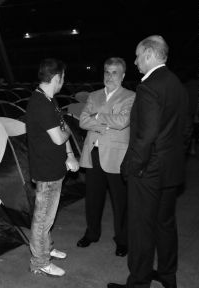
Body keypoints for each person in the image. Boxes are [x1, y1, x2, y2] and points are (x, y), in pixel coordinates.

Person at [108, 36, 192, 288]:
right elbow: (187, 129)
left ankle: (139, 282)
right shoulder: (177, 83)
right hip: (170, 169)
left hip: (148, 171)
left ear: (148, 54)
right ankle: (167, 276)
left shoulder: (149, 86)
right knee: (165, 224)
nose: (135, 62)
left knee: (140, 228)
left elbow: (146, 135)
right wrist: (174, 157)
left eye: (137, 56)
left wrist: (133, 167)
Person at [26, 58, 79, 277]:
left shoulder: (49, 100)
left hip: (54, 167)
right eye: (63, 78)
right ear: (56, 78)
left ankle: (45, 249)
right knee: (42, 219)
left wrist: (69, 154)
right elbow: (60, 135)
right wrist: (67, 132)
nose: (63, 81)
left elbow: (61, 127)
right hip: (46, 170)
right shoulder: (40, 103)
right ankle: (40, 261)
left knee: (47, 215)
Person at [77, 57, 135, 257]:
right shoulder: (93, 95)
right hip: (93, 153)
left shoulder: (130, 96)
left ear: (123, 75)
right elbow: (83, 121)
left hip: (117, 155)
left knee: (121, 202)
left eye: (114, 72)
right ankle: (91, 234)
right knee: (93, 199)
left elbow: (122, 121)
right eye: (106, 72)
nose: (109, 76)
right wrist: (105, 119)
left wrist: (98, 117)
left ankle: (122, 240)